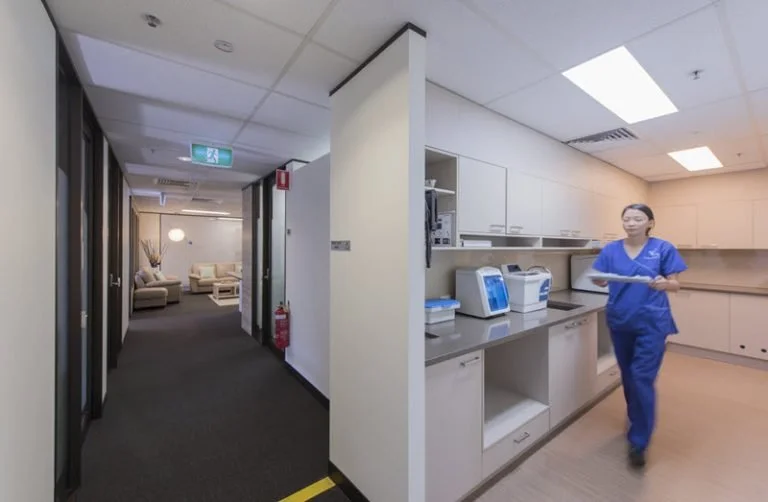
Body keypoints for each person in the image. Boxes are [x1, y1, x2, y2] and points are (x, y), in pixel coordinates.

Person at [591, 203, 687, 468]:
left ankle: (639, 441)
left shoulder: (663, 248)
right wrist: (598, 280)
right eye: (626, 219)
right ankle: (636, 417)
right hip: (620, 320)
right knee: (628, 377)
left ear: (650, 223)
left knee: (641, 377)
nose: (631, 223)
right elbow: (598, 277)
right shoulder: (611, 250)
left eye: (637, 218)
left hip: (652, 322)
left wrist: (665, 283)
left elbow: (676, 283)